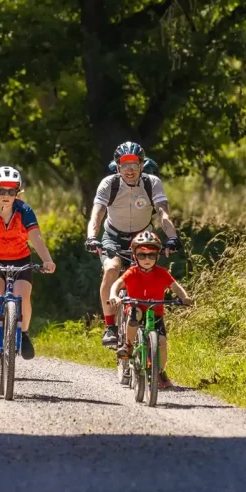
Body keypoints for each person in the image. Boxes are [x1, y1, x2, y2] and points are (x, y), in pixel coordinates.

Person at [86, 142, 180, 348]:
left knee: (145, 275)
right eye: (124, 164)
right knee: (111, 268)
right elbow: (97, 214)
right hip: (113, 235)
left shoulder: (151, 182)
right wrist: (92, 237)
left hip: (141, 236)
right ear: (117, 166)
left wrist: (172, 236)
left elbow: (163, 213)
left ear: (141, 165)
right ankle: (110, 326)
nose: (129, 169)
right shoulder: (109, 184)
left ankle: (148, 329)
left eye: (134, 164)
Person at [0, 166, 56, 361]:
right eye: (1, 190)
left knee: (22, 295)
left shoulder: (24, 210)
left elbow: (36, 238)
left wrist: (47, 260)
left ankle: (23, 334)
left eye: (11, 191)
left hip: (21, 259)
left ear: (18, 192)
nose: (6, 195)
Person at [108, 231, 192, 389]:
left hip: (156, 313)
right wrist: (114, 295)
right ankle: (128, 345)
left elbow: (176, 287)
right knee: (135, 314)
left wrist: (184, 297)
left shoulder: (162, 273)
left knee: (162, 342)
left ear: (157, 257)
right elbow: (116, 285)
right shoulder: (131, 272)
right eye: (142, 255)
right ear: (135, 256)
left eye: (151, 256)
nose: (147, 260)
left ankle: (159, 371)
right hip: (136, 308)